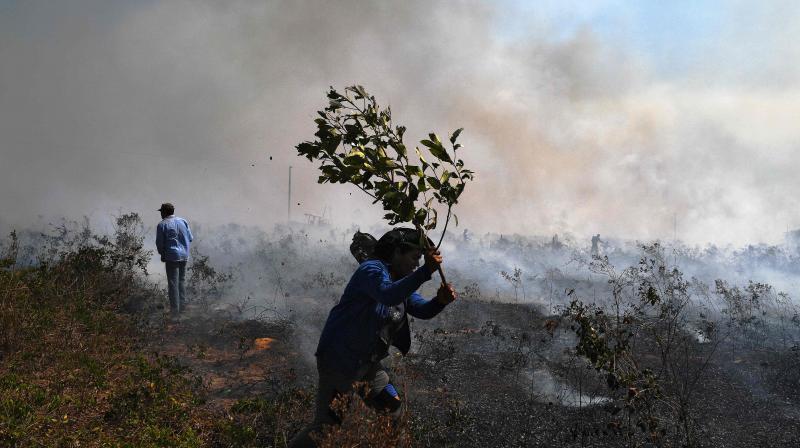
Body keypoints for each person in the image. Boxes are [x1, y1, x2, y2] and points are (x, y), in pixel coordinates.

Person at [289, 228, 457, 447]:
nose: (416, 264)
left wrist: (440, 302)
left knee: (394, 412)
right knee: (326, 426)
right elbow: (388, 295)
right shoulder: (371, 270)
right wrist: (425, 271)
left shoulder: (400, 280)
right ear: (397, 252)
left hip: (367, 364)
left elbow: (420, 309)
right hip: (341, 361)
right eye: (414, 258)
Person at [155, 203, 193, 318]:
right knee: (181, 281)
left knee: (173, 283)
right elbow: (190, 238)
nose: (161, 214)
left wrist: (162, 254)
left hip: (172, 256)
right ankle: (182, 307)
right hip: (184, 255)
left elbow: (160, 243)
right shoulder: (183, 221)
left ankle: (174, 311)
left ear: (164, 212)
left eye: (161, 211)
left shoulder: (162, 224)